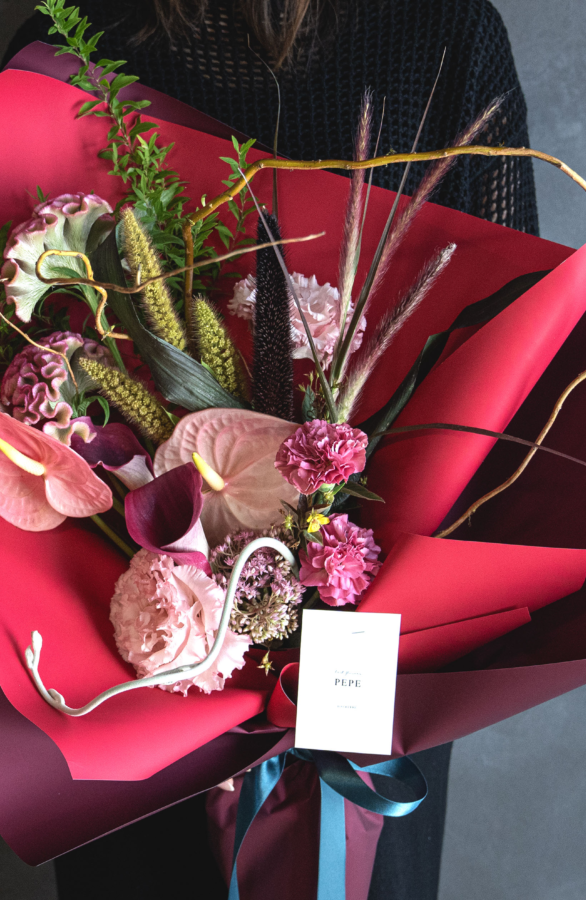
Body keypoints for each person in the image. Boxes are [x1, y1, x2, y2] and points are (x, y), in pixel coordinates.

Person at [3, 2, 538, 898]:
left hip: (163, 667)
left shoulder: (75, 36)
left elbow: (512, 348)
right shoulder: (445, 29)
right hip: (193, 648)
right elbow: (510, 362)